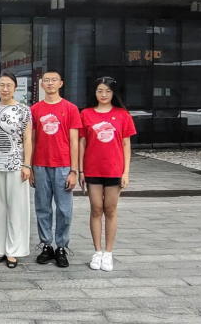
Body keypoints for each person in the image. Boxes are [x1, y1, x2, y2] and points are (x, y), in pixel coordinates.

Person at [78, 77, 135, 273]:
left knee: (110, 210)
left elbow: (126, 144)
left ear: (114, 93)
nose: (103, 94)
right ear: (94, 93)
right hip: (92, 169)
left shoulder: (122, 115)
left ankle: (108, 253)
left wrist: (126, 172)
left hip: (114, 169)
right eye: (100, 91)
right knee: (96, 209)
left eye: (108, 91)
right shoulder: (86, 114)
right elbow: (82, 143)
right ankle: (97, 251)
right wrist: (81, 170)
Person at [30, 70, 82, 268]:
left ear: (61, 83)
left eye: (54, 80)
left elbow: (74, 142)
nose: (50, 83)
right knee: (42, 207)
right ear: (41, 85)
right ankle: (46, 245)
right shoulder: (35, 109)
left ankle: (61, 246)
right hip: (40, 164)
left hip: (63, 165)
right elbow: (32, 140)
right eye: (46, 80)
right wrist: (31, 168)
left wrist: (74, 171)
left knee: (64, 209)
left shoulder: (70, 108)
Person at [0, 72, 33, 268]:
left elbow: (27, 139)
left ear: (15, 87)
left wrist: (27, 164)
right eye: (1, 85)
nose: (5, 89)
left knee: (16, 208)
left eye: (9, 85)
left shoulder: (24, 110)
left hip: (16, 165)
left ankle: (14, 250)